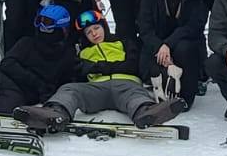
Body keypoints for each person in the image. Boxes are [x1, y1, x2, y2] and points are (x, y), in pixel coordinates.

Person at [13, 10, 184, 133]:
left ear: (104, 27)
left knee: (136, 96)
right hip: (97, 88)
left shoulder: (122, 42)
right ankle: (55, 113)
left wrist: (101, 67)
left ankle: (147, 113)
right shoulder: (81, 52)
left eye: (96, 28)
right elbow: (79, 69)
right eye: (88, 32)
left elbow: (132, 64)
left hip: (126, 84)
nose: (94, 34)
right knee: (69, 89)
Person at [137, 0, 207, 110]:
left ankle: (185, 97)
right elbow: (144, 26)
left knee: (185, 48)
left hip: (185, 44)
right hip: (158, 45)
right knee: (149, 60)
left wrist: (168, 44)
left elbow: (194, 26)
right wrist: (159, 45)